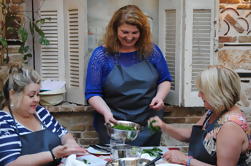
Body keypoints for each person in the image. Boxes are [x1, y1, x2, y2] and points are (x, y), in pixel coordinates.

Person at [85, 5, 172, 146]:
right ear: (114, 30)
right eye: (125, 32)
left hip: (148, 122)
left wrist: (159, 97)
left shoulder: (152, 51)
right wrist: (106, 113)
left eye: (135, 33)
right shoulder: (101, 56)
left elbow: (165, 80)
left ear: (142, 32)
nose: (130, 37)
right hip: (114, 123)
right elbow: (92, 93)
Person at [149, 65, 251, 166]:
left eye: (203, 92)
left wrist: (185, 160)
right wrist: (164, 126)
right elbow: (192, 135)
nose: (199, 95)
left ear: (217, 93)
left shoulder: (230, 127)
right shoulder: (214, 111)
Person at [0, 64, 86, 166]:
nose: (37, 99)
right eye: (31, 95)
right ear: (12, 94)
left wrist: (70, 143)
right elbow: (11, 163)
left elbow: (63, 133)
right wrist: (52, 155)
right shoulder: (4, 121)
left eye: (38, 94)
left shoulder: (41, 112)